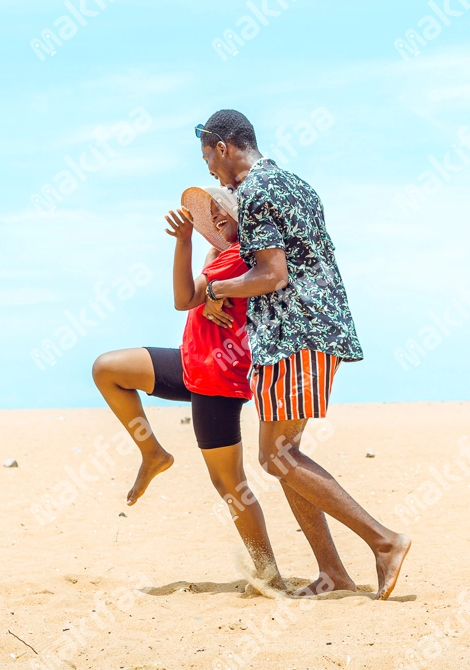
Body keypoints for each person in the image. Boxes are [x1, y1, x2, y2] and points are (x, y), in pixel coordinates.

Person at [195, 109, 411, 600]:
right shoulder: (296, 183)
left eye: (207, 157)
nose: (209, 169)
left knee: (275, 455)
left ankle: (384, 542)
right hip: (317, 327)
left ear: (222, 146)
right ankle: (333, 572)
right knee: (285, 455)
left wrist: (219, 289)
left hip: (295, 329)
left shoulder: (253, 192)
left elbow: (273, 274)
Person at [91, 186, 284, 590]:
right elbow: (184, 299)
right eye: (207, 214)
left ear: (240, 213)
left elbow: (259, 285)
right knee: (108, 369)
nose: (213, 218)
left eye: (220, 210)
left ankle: (268, 573)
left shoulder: (252, 256)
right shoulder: (220, 255)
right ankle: (153, 453)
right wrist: (184, 243)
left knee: (229, 484)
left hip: (217, 378)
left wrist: (214, 292)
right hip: (188, 361)